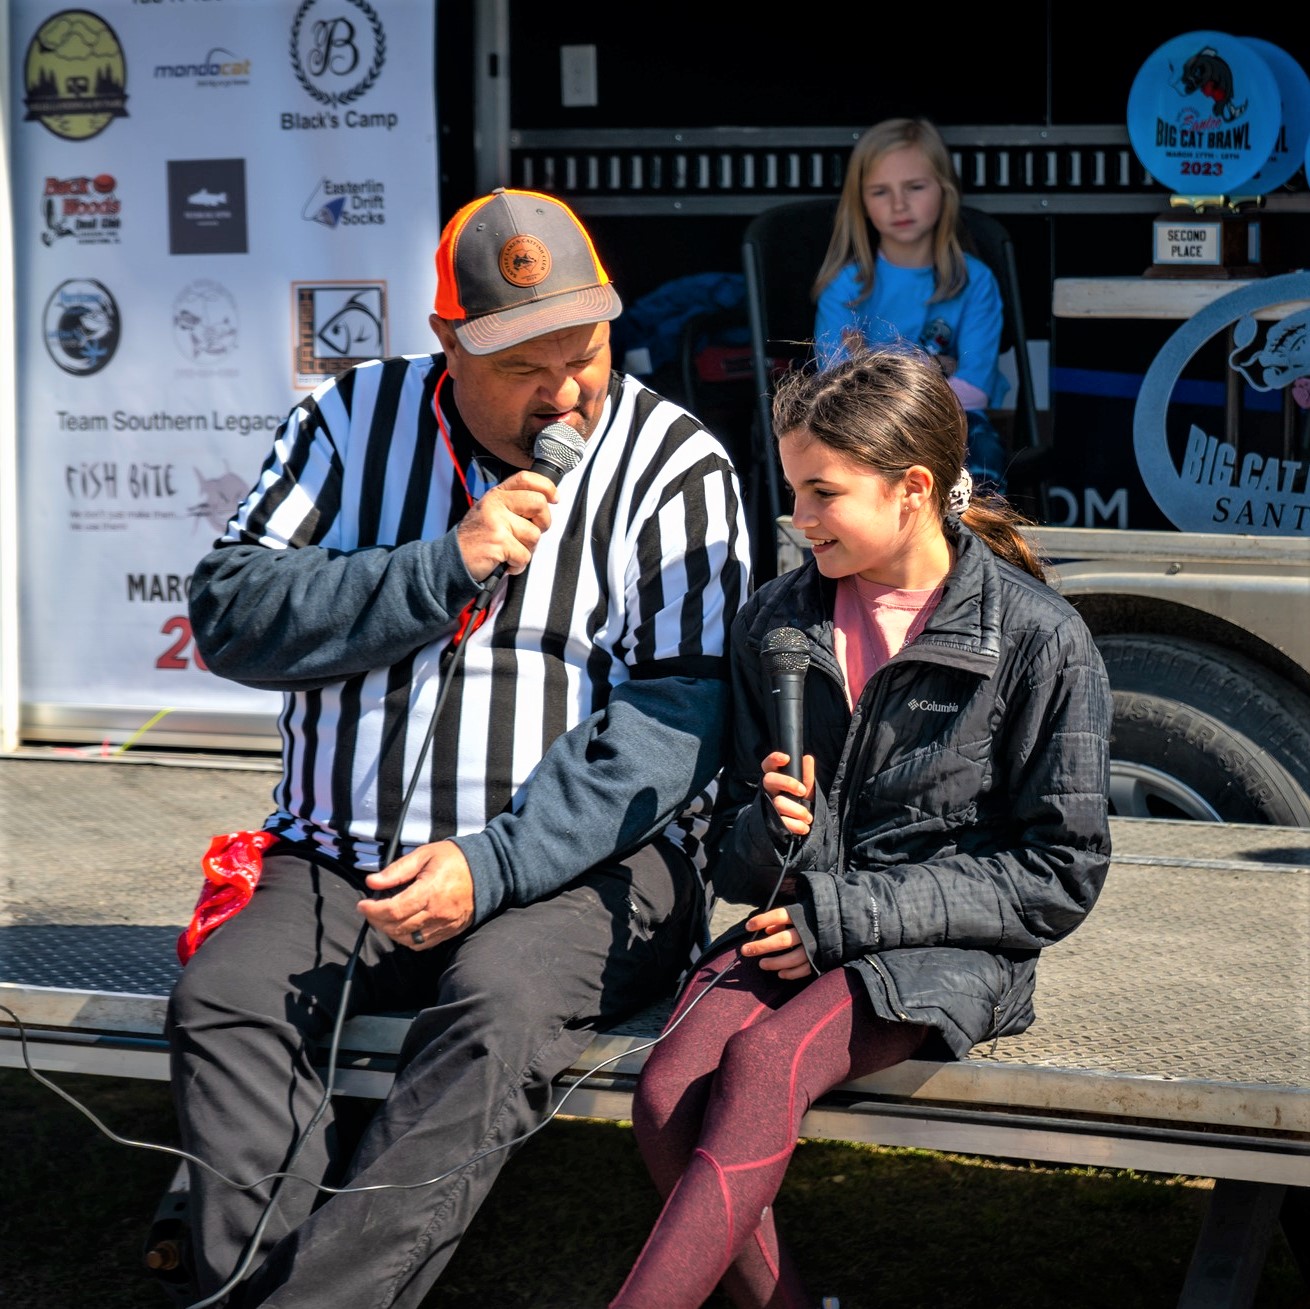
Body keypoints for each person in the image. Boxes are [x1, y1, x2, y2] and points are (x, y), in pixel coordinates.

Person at [165, 186, 752, 1308]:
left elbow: (680, 715)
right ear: (447, 344)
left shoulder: (676, 464)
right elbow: (231, 610)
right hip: (342, 851)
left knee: (495, 1009)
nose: (565, 389)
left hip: (581, 874)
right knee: (226, 1000)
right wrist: (442, 567)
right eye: (524, 366)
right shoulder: (349, 422)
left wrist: (492, 864)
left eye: (582, 352)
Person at [610, 344, 1112, 1309]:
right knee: (667, 1088)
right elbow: (737, 861)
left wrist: (839, 918)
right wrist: (770, 823)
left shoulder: (1039, 637)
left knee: (764, 1062)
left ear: (913, 487)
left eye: (821, 492)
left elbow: (1059, 872)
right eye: (792, 489)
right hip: (801, 928)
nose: (797, 520)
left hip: (945, 949)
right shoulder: (775, 622)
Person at [812, 116, 1012, 497]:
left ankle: (980, 552)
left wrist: (875, 367)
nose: (899, 204)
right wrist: (935, 371)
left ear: (945, 190)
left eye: (915, 187)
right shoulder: (845, 288)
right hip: (866, 428)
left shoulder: (975, 281)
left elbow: (974, 389)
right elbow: (838, 389)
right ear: (862, 203)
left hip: (956, 426)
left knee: (983, 456)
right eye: (880, 192)